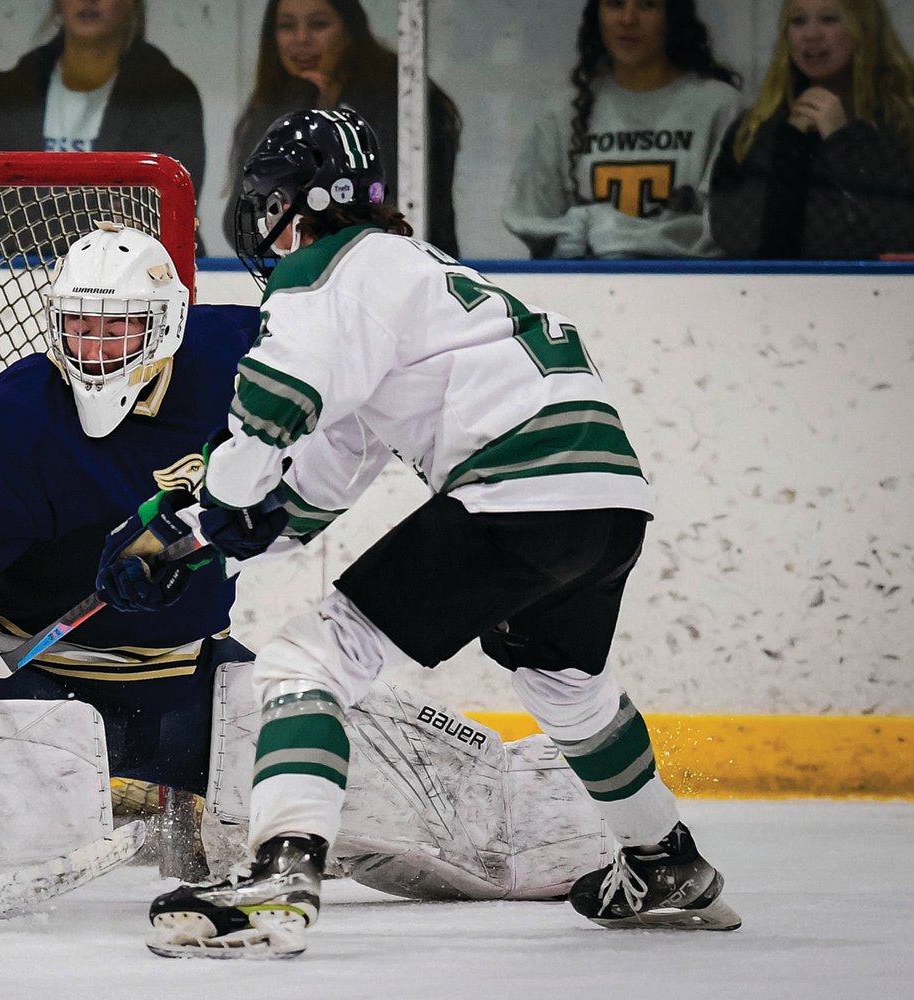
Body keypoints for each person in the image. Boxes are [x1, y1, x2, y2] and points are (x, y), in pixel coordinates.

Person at [0, 223, 612, 922]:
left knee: (299, 725)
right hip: (22, 675)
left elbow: (353, 384)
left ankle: (546, 827)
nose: (93, 348)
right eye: (78, 326)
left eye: (115, 328)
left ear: (163, 326)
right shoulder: (22, 420)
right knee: (26, 769)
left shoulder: (238, 356)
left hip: (178, 671)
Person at [97, 108, 741, 959]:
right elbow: (317, 485)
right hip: (608, 495)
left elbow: (271, 409)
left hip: (514, 486)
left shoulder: (325, 272)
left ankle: (280, 873)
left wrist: (219, 494)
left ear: (293, 206)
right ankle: (663, 858)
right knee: (564, 680)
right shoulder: (408, 276)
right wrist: (190, 538)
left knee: (309, 659)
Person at [0, 0, 204, 257]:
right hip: (18, 270)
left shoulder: (170, 93)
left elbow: (163, 208)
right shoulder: (11, 91)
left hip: (135, 275)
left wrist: (34, 210)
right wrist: (98, 209)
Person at [502, 0, 742, 259]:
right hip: (582, 292)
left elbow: (727, 230)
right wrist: (567, 233)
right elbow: (529, 217)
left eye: (646, 5)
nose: (628, 19)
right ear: (598, 15)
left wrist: (620, 235)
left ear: (672, 17)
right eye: (615, 4)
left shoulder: (720, 108)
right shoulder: (561, 113)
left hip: (691, 292)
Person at [222, 0, 462, 256]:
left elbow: (395, 216)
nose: (301, 38)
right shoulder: (269, 109)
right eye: (287, 26)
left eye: (319, 24)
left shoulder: (404, 104)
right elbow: (242, 225)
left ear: (350, 32)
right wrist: (299, 107)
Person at [707, 0, 914, 259]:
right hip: (770, 294)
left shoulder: (903, 123)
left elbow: (896, 234)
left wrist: (843, 143)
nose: (811, 34)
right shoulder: (756, 128)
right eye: (798, 21)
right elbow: (735, 236)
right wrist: (790, 148)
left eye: (829, 19)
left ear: (865, 28)